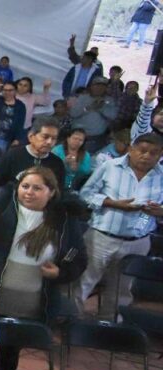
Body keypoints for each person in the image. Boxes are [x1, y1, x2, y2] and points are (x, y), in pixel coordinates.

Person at [0, 140, 87, 370]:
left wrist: (60, 272)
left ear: (51, 192)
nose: (29, 192)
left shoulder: (64, 220)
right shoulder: (2, 205)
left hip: (31, 303)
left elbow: (77, 257)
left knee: (9, 352)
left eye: (37, 188)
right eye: (25, 186)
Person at [77, 133, 163, 320]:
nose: (147, 156)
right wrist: (112, 203)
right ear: (131, 149)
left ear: (160, 155)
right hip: (102, 236)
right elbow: (85, 194)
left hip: (139, 241)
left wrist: (160, 212)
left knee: (122, 287)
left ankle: (110, 323)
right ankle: (71, 321)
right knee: (85, 280)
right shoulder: (110, 167)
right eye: (142, 150)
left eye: (153, 153)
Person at [0, 117, 66, 193]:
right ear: (31, 136)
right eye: (45, 137)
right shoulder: (12, 156)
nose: (49, 142)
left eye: (53, 138)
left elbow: (58, 194)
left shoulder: (57, 164)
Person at [69, 76, 117, 153]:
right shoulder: (82, 98)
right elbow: (73, 113)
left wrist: (101, 108)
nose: (100, 88)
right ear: (91, 86)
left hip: (96, 139)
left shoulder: (109, 100)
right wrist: (88, 108)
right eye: (97, 85)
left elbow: (113, 116)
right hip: (78, 136)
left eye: (103, 86)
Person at [0, 79, 28, 152]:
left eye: (10, 90)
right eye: (5, 90)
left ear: (15, 91)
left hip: (7, 138)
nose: (7, 92)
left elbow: (20, 123)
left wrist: (17, 139)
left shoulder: (20, 106)